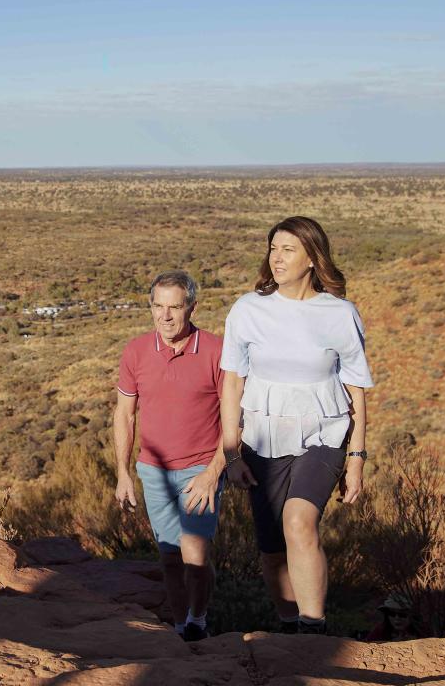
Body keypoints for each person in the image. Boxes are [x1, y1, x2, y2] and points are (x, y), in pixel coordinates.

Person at [220, 216, 373, 636]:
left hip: (323, 434)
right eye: (273, 248)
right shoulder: (248, 309)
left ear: (312, 258)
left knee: (298, 522)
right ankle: (288, 628)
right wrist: (231, 453)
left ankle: (313, 628)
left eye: (288, 249)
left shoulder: (341, 314)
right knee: (271, 552)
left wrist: (357, 459)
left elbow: (356, 389)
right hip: (261, 439)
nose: (277, 257)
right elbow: (232, 384)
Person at [113, 270, 226, 641]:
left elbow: (234, 418)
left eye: (174, 307)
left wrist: (214, 473)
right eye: (158, 306)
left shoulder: (216, 350)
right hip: (154, 471)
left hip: (200, 469)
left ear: (191, 307)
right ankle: (182, 628)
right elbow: (124, 414)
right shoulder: (136, 351)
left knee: (195, 554)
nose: (165, 315)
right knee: (169, 557)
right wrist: (123, 473)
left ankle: (199, 619)